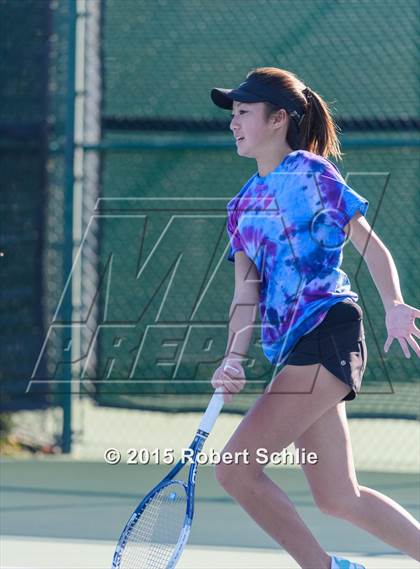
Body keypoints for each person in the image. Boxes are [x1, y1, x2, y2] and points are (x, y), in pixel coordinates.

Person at [209, 67, 420, 569]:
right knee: (338, 497)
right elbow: (246, 291)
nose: (233, 123)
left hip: (328, 329)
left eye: (243, 112)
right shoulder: (241, 206)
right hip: (292, 349)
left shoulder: (310, 172)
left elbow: (369, 245)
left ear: (278, 118)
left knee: (234, 470)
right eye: (232, 114)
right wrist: (231, 359)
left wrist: (393, 304)